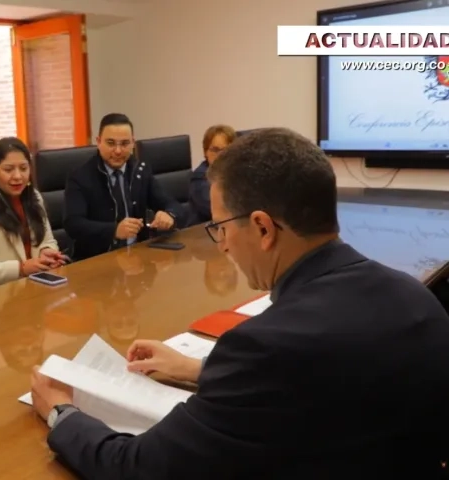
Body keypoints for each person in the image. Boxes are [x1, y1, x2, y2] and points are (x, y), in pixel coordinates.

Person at [30, 128, 449, 478]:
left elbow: (138, 468)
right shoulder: (417, 299)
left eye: (221, 227)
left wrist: (61, 414)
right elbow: (328, 378)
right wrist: (200, 369)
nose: (223, 244)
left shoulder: (267, 346)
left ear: (263, 228)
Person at [63, 113, 188, 261]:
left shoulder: (139, 170)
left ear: (133, 143)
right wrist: (114, 230)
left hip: (139, 259)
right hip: (99, 260)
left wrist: (170, 215)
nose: (117, 151)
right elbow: (73, 224)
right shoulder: (80, 176)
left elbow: (174, 205)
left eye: (124, 144)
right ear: (98, 142)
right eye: (110, 143)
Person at [0, 137, 66, 289]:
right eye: (8, 170)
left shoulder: (34, 197)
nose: (17, 176)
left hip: (38, 288)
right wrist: (20, 268)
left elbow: (48, 240)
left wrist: (46, 251)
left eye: (23, 168)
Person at [188, 124, 236, 223]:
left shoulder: (235, 171)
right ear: (205, 152)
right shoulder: (200, 177)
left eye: (226, 150)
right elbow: (217, 211)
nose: (220, 155)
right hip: (201, 233)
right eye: (215, 150)